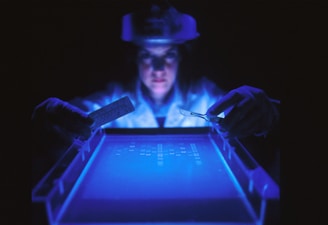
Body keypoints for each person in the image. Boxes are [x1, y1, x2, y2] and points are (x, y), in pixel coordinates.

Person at [31, 1, 280, 185]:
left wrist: (270, 112)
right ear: (134, 58)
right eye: (147, 56)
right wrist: (47, 122)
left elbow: (250, 114)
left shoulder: (206, 98)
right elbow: (72, 118)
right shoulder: (112, 103)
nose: (158, 68)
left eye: (168, 55)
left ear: (181, 57)